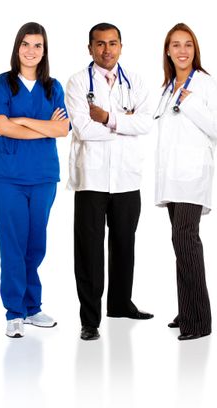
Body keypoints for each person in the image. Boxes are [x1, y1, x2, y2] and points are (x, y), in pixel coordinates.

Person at [0, 22, 70, 338]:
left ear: (45, 51)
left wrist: (22, 120)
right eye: (26, 44)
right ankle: (15, 312)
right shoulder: (3, 84)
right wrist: (42, 125)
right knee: (12, 245)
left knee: (36, 244)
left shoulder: (52, 87)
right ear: (17, 47)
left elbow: (62, 129)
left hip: (44, 177)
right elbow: (2, 128)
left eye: (38, 45)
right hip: (8, 178)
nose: (31, 51)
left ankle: (33, 308)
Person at [65, 22, 153, 341]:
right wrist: (123, 127)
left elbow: (145, 124)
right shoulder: (77, 83)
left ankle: (120, 303)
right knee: (89, 250)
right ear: (90, 48)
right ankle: (90, 319)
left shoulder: (137, 82)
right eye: (100, 44)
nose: (106, 50)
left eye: (112, 43)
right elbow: (83, 130)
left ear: (120, 46)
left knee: (124, 244)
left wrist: (108, 119)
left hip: (128, 178)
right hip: (92, 177)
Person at [154, 23, 217, 341]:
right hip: (172, 176)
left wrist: (190, 102)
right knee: (180, 242)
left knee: (186, 239)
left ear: (195, 49)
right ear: (168, 51)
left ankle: (199, 321)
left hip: (193, 174)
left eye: (188, 45)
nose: (182, 50)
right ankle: (187, 309)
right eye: (176, 45)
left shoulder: (206, 84)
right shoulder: (167, 86)